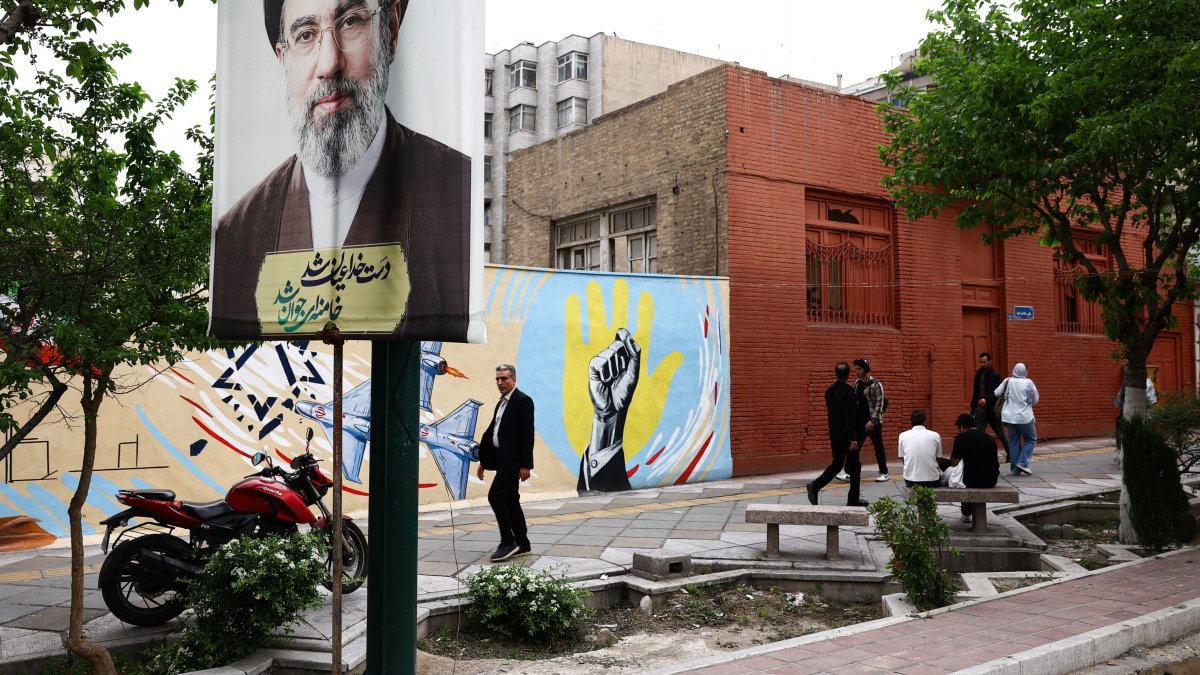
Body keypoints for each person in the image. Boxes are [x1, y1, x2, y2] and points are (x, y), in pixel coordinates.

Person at [210, 0, 470, 341]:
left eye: (350, 23)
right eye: (305, 35)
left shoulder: (459, 197)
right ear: (283, 60)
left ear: (389, 31)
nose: (329, 63)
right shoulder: (238, 235)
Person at [476, 364, 535, 563]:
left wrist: (526, 465)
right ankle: (523, 543)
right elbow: (494, 431)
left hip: (513, 462)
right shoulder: (501, 403)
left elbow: (527, 436)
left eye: (504, 379)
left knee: (495, 496)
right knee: (510, 500)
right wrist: (484, 461)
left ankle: (508, 541)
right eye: (497, 379)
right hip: (501, 459)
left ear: (514, 380)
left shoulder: (523, 401)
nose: (500, 382)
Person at [807, 362, 869, 507]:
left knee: (837, 464)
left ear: (836, 373)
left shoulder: (829, 391)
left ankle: (815, 486)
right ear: (848, 375)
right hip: (848, 437)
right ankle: (853, 499)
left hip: (835, 435)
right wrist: (853, 438)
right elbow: (849, 417)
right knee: (855, 466)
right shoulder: (848, 392)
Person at [945, 413, 1001, 522]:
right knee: (971, 472)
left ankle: (966, 513)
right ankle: (966, 512)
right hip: (991, 480)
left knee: (950, 467)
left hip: (970, 481)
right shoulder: (989, 438)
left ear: (962, 427)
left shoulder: (961, 437)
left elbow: (954, 463)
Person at [852, 358, 890, 482]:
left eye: (859, 369)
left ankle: (884, 472)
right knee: (854, 447)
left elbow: (880, 403)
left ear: (865, 369)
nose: (856, 371)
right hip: (859, 421)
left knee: (878, 447)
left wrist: (872, 420)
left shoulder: (876, 384)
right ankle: (849, 472)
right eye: (856, 369)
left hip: (873, 423)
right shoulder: (856, 383)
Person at [997, 363, 1039, 476]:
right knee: (1030, 439)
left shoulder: (1008, 381)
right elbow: (1035, 399)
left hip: (1010, 417)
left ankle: (1015, 469)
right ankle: (1023, 463)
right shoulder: (1028, 382)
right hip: (1025, 417)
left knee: (1014, 442)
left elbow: (996, 393)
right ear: (1025, 371)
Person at [970, 352, 1010, 463]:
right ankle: (980, 457)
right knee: (979, 436)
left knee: (1000, 434)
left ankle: (1010, 454)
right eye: (981, 362)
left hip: (992, 410)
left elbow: (997, 393)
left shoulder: (996, 376)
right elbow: (975, 393)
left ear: (990, 362)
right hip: (980, 411)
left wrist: (986, 399)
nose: (982, 364)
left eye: (984, 362)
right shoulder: (978, 374)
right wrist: (973, 409)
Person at [898, 409, 942, 488]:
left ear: (910, 422)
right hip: (932, 480)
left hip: (910, 481)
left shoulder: (902, 435)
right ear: (924, 421)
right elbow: (939, 458)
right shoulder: (935, 435)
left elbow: (903, 459)